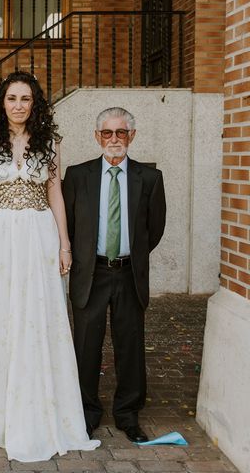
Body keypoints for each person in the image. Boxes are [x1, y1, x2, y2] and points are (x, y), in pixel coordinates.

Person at [0, 71, 100, 462]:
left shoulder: (51, 143)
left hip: (39, 233)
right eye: (12, 98)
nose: (18, 105)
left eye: (26, 99)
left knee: (37, 316)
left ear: (35, 103)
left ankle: (38, 410)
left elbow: (55, 193)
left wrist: (64, 244)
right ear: (2, 102)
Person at [62, 107, 166, 443]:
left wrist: (129, 257)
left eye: (121, 133)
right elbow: (70, 226)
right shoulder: (77, 176)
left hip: (127, 274)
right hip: (90, 272)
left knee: (130, 345)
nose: (114, 140)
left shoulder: (149, 178)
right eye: (107, 133)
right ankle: (87, 411)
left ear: (131, 136)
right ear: (97, 137)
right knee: (86, 345)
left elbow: (155, 228)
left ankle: (127, 413)